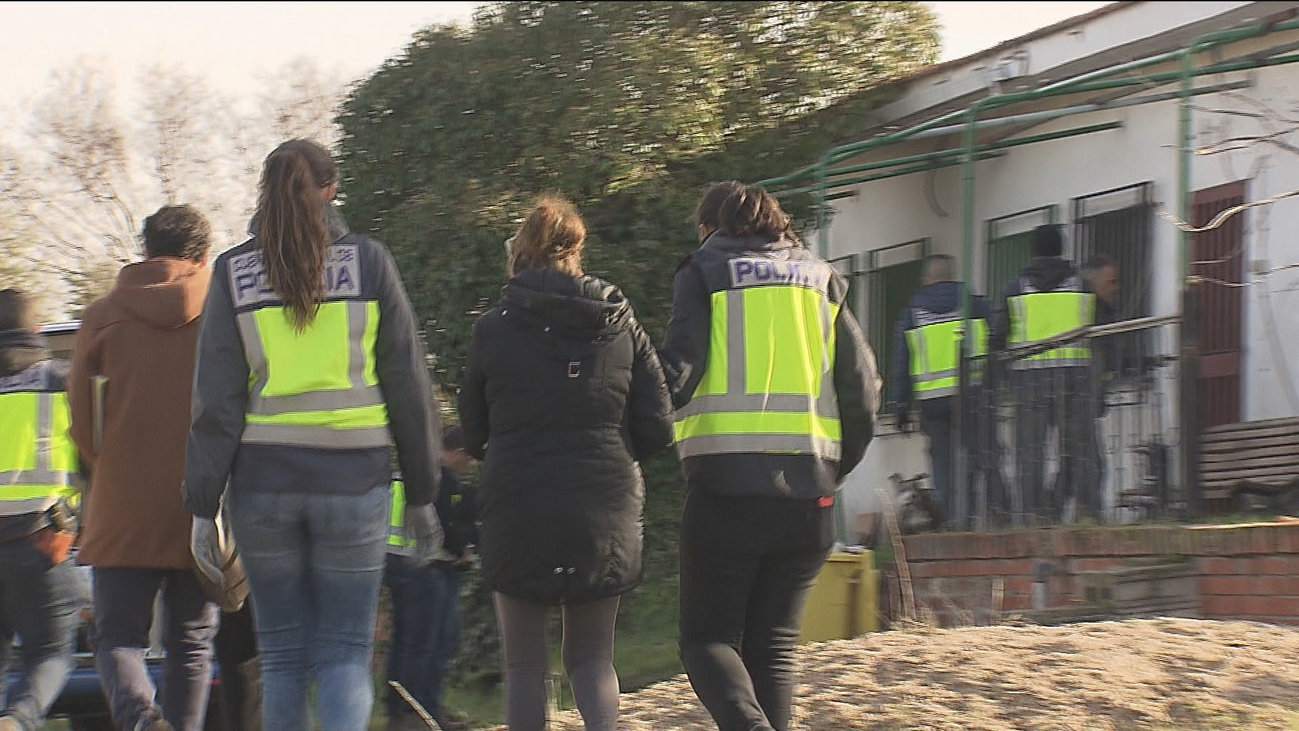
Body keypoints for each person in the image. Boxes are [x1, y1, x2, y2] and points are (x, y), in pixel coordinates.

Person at [183, 138, 444, 731]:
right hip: (356, 484)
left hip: (263, 488)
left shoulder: (233, 272)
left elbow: (216, 404)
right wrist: (424, 491)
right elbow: (408, 383)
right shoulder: (371, 263)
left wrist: (202, 507)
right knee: (346, 651)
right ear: (331, 191)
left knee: (281, 655)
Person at [659, 182, 879, 731]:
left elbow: (676, 377)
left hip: (725, 492)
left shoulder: (704, 272)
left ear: (710, 228)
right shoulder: (821, 279)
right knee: (772, 648)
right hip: (810, 497)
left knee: (706, 640)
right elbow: (864, 389)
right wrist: (834, 467)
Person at [458, 196, 674, 731]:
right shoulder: (620, 323)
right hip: (603, 498)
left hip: (518, 499)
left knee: (526, 665)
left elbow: (474, 429)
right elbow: (659, 422)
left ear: (521, 252)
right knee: (593, 657)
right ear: (576, 250)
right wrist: (611, 451)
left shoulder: (494, 328)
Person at [67, 205, 220, 731]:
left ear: (145, 249)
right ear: (204, 255)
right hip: (201, 501)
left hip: (123, 506)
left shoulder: (103, 315)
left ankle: (140, 719)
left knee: (118, 638)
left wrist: (105, 467)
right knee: (193, 642)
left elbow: (82, 422)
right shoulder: (222, 313)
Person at [0, 289, 82, 731]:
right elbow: (92, 455)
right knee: (50, 652)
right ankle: (18, 718)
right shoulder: (60, 380)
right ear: (36, 331)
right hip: (42, 537)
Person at [989, 224, 1098, 524]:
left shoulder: (1014, 288)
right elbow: (1100, 331)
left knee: (1029, 454)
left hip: (1029, 381)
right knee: (1079, 451)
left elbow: (997, 337)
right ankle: (1088, 513)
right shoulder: (1083, 287)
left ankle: (1031, 518)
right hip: (1075, 377)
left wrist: (1004, 376)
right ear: (1061, 249)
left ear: (1033, 251)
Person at [384, 424, 478, 731]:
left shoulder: (412, 472)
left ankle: (401, 710)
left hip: (399, 562)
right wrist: (464, 547)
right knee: (430, 643)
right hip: (427, 566)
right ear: (459, 452)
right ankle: (421, 712)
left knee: (407, 641)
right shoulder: (440, 479)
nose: (470, 463)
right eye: (468, 456)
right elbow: (444, 528)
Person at [891, 254, 993, 530]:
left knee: (944, 464)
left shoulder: (912, 313)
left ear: (927, 280)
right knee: (975, 459)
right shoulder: (972, 302)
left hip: (932, 401)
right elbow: (997, 337)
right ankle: (972, 519)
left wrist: (900, 406)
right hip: (970, 394)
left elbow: (902, 361)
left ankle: (950, 521)